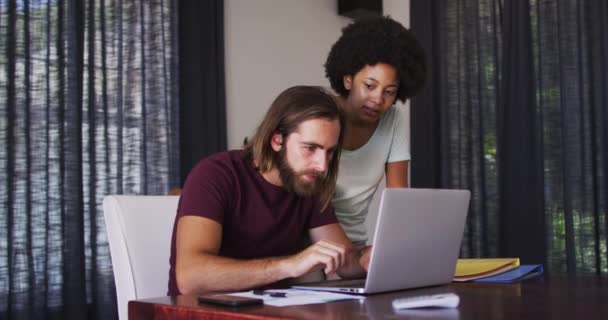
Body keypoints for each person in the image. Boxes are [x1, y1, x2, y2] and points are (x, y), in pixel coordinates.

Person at [168, 86, 370, 295]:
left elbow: (344, 260)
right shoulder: (215, 175)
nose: (322, 165)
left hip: (268, 312)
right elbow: (190, 277)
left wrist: (366, 258)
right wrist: (290, 265)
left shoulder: (308, 184)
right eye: (310, 149)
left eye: (329, 152)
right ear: (277, 140)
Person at [324, 16, 427, 245]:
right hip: (315, 250)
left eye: (389, 91)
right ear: (348, 79)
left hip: (358, 251)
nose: (378, 99)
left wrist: (392, 249)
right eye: (369, 86)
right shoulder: (321, 114)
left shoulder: (392, 120)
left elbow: (397, 198)